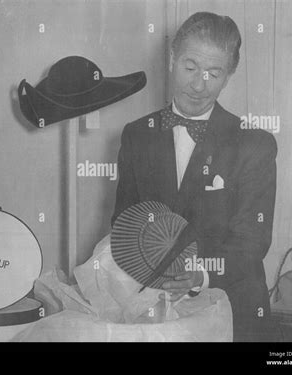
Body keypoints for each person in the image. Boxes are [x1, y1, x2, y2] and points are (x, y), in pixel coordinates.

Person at [112, 12, 278, 342]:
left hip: (235, 315)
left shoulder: (255, 144)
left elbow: (252, 240)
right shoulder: (136, 135)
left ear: (229, 76)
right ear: (172, 59)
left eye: (213, 73)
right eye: (190, 68)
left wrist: (199, 275)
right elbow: (123, 224)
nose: (199, 84)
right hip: (158, 316)